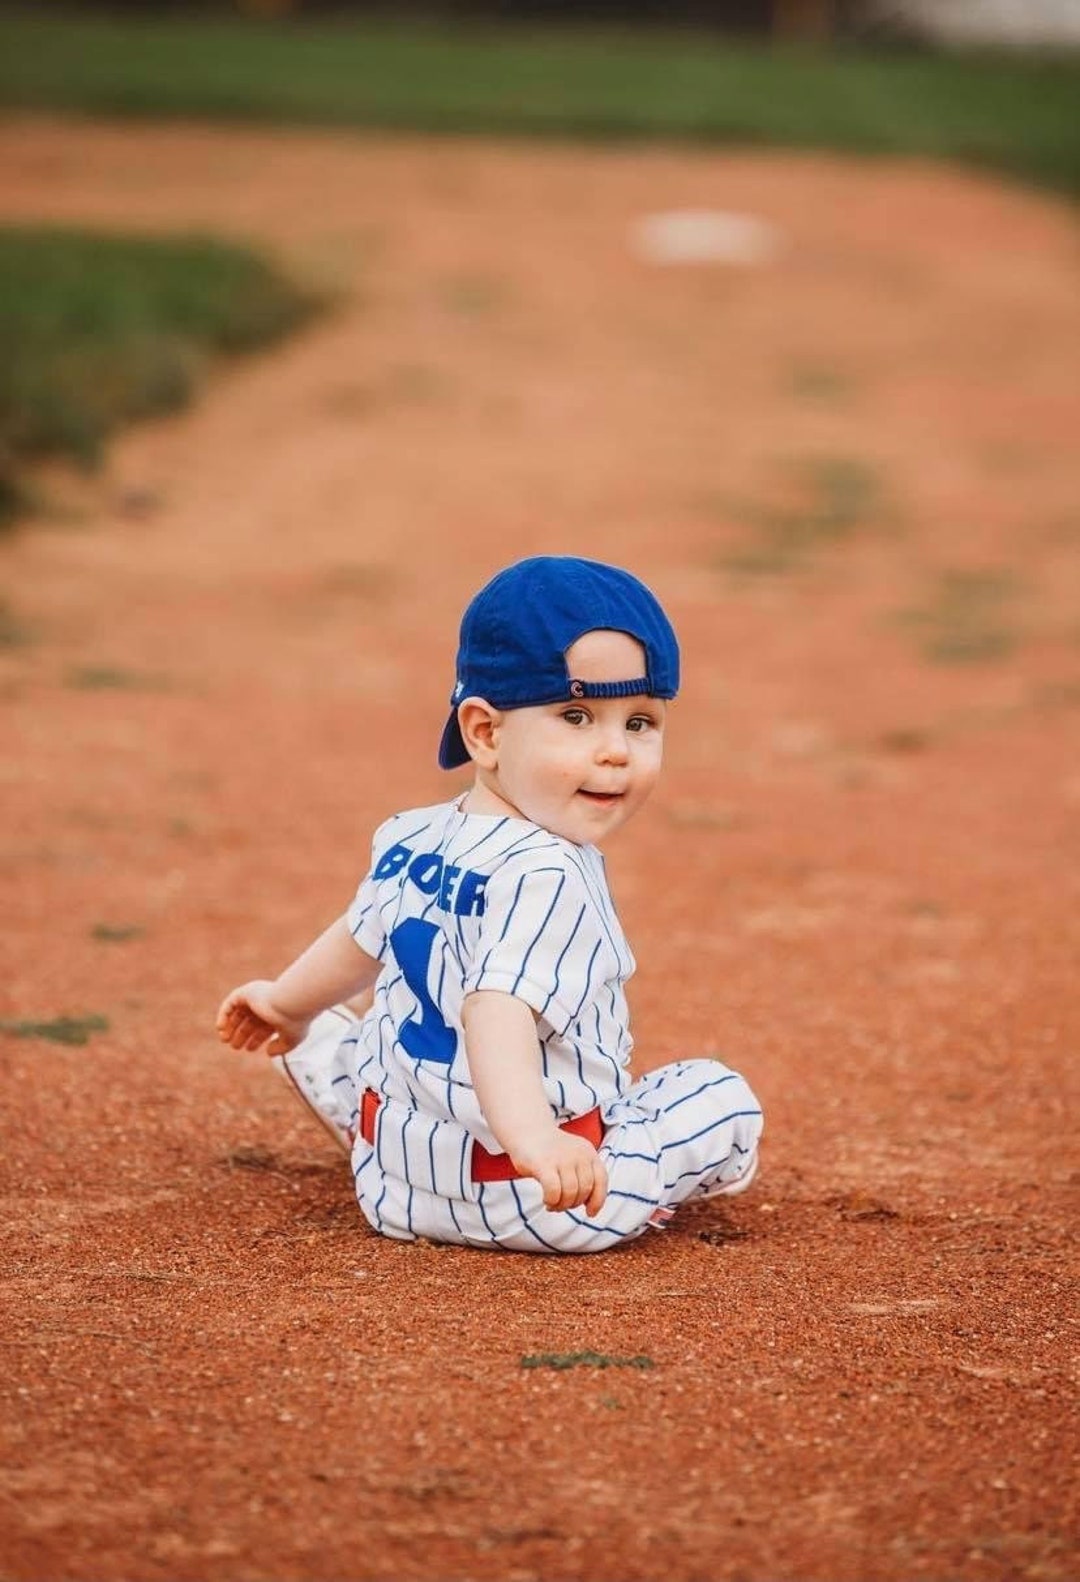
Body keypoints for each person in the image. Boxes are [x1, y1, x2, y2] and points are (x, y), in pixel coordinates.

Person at [217, 556, 763, 1253]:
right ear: (485, 733)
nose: (615, 752)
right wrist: (536, 1141)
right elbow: (495, 1010)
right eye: (576, 716)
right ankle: (649, 1174)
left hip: (388, 1187)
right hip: (534, 1198)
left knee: (354, 1016)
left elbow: (359, 937)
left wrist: (284, 1004)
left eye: (641, 722)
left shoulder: (412, 835)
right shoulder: (549, 874)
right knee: (719, 1097)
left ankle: (360, 1102)